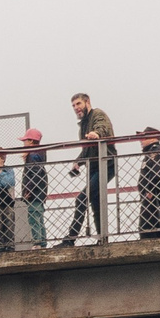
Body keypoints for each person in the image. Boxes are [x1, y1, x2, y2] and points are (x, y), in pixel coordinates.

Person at [62, 91, 117, 244]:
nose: (76, 108)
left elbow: (102, 127)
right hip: (95, 166)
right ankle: (102, 238)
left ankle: (70, 239)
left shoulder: (97, 114)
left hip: (106, 164)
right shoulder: (84, 124)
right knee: (95, 201)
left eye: (78, 104)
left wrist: (96, 133)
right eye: (73, 105)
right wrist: (77, 162)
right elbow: (87, 149)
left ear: (87, 102)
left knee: (81, 199)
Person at [20, 128, 50, 247]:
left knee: (33, 217)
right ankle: (42, 243)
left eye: (25, 140)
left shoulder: (33, 155)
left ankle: (37, 243)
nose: (23, 143)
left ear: (31, 141)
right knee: (39, 217)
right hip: (40, 192)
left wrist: (28, 190)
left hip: (35, 192)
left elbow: (34, 174)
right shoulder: (39, 154)